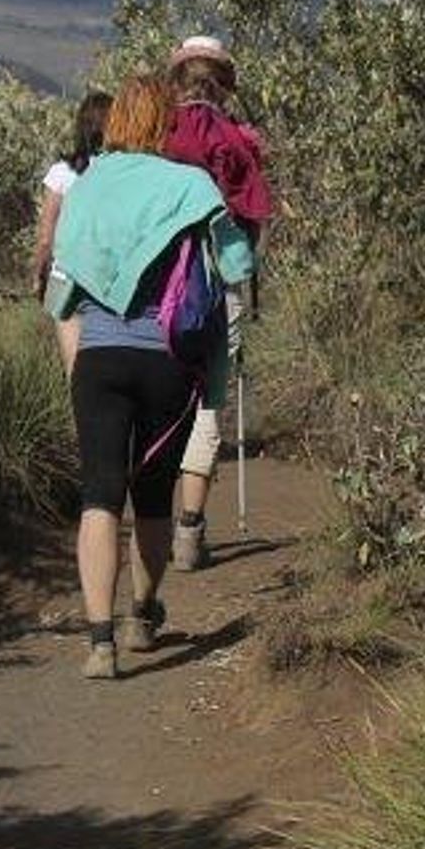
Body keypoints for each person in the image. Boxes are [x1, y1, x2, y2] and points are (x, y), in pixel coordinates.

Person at [48, 74, 254, 679]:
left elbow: (61, 292)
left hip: (101, 360)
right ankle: (142, 612)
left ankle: (99, 641)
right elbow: (235, 263)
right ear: (165, 121)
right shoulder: (190, 184)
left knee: (99, 493)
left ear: (115, 124)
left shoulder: (87, 188)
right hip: (169, 361)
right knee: (153, 494)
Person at [161, 35, 275, 573]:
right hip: (219, 282)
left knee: (159, 395)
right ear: (222, 83)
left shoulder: (157, 135)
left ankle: (153, 521)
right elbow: (253, 219)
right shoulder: (238, 140)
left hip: (156, 284)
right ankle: (189, 530)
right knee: (210, 398)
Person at [31, 91, 111, 373]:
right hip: (109, 273)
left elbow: (46, 233)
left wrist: (39, 274)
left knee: (74, 365)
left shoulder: (61, 173)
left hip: (67, 273)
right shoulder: (120, 171)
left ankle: (82, 413)